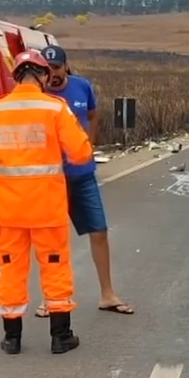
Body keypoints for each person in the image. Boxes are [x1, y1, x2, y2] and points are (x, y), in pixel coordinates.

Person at [0, 50, 94, 356]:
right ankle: (60, 336)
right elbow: (81, 153)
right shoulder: (55, 108)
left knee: (11, 269)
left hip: (8, 208)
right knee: (55, 267)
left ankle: (12, 338)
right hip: (46, 205)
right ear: (42, 76)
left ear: (16, 76)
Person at [37, 45, 135, 316]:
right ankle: (50, 298)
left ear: (65, 66)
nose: (51, 75)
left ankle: (107, 294)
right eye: (46, 70)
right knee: (52, 241)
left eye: (55, 68)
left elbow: (92, 115)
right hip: (51, 179)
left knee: (99, 230)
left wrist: (88, 145)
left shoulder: (82, 87)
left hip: (82, 175)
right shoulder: (39, 96)